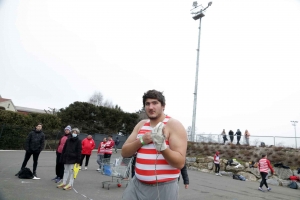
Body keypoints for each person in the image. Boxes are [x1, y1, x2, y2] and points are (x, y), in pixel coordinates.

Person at [121, 90, 187, 200]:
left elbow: (180, 163)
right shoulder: (141, 125)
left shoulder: (174, 125)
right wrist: (141, 140)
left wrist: (161, 146)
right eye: (147, 104)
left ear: (163, 106)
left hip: (164, 187)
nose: (151, 107)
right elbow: (124, 152)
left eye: (155, 103)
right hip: (136, 184)